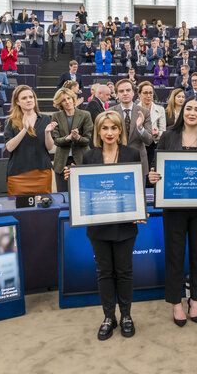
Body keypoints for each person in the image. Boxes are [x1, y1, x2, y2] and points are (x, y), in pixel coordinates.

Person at [64, 110, 143, 340]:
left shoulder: (132, 153)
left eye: (114, 127)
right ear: (98, 132)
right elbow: (85, 191)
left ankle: (126, 316)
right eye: (105, 128)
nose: (109, 132)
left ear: (120, 131)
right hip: (98, 226)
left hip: (125, 225)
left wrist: (139, 209)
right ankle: (109, 317)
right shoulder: (89, 156)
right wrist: (72, 179)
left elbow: (136, 187)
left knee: (125, 272)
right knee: (104, 272)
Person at [147, 97, 197, 327]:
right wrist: (153, 177)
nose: (192, 112)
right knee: (174, 254)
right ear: (182, 112)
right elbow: (157, 168)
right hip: (174, 207)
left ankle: (196, 300)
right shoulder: (168, 137)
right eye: (188, 108)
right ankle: (176, 303)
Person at [3, 85, 57, 196]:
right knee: (19, 205)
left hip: (42, 172)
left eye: (31, 97)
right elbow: (9, 147)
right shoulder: (11, 121)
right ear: (17, 102)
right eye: (24, 98)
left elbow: (49, 147)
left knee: (43, 204)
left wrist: (47, 133)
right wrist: (24, 129)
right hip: (18, 174)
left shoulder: (45, 119)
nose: (29, 100)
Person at [109, 79, 153, 180]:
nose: (125, 93)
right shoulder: (110, 112)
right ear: (116, 94)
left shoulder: (144, 112)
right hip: (116, 161)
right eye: (121, 91)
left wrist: (140, 128)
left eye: (128, 90)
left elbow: (149, 140)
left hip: (138, 161)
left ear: (133, 93)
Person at [52, 87, 93, 193]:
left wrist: (77, 137)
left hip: (81, 159)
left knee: (84, 192)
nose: (67, 102)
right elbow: (56, 141)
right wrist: (68, 137)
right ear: (60, 103)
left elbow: (87, 140)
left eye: (69, 98)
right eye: (63, 100)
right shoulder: (56, 116)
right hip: (62, 161)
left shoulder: (85, 115)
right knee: (63, 194)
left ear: (73, 98)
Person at [138, 81, 166, 169]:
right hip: (139, 146)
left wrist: (157, 134)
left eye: (151, 93)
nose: (148, 96)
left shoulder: (160, 109)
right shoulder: (134, 109)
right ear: (139, 94)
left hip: (154, 145)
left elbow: (163, 131)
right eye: (145, 93)